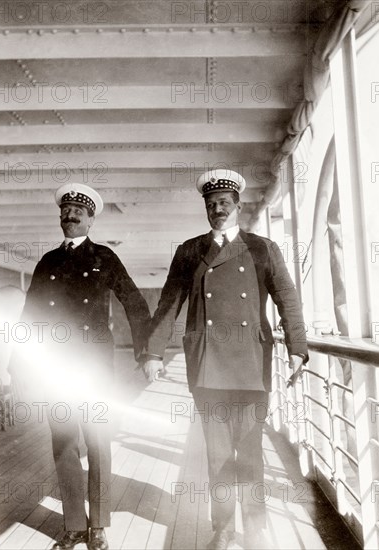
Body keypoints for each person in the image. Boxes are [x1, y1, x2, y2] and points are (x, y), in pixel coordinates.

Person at [142, 170, 308, 550]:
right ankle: (223, 528)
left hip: (250, 364)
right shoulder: (189, 250)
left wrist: (297, 347)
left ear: (238, 206)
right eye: (210, 204)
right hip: (207, 368)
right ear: (206, 208)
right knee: (217, 455)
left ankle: (255, 528)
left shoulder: (261, 248)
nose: (217, 209)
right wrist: (153, 352)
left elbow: (287, 297)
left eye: (223, 203)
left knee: (250, 453)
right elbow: (169, 304)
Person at [13, 183, 151, 550]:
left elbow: (135, 303)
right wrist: (19, 366)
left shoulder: (104, 258)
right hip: (56, 369)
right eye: (65, 212)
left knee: (98, 443)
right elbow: (30, 316)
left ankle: (99, 527)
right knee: (63, 445)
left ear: (90, 219)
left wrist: (147, 351)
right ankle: (75, 525)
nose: (69, 217)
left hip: (94, 369)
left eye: (78, 212)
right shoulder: (47, 262)